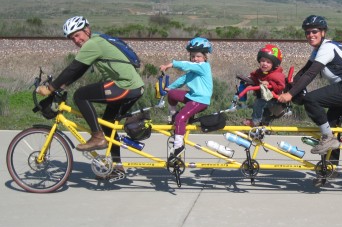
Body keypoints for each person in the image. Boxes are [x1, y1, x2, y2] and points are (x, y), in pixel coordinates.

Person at [36, 16, 144, 175]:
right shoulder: (97, 39)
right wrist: (63, 85)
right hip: (133, 87)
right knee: (108, 123)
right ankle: (116, 166)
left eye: (78, 35)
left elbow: (72, 69)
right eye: (72, 38)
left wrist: (50, 88)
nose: (76, 40)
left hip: (124, 85)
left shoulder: (93, 44)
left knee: (80, 96)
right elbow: (79, 71)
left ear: (87, 30)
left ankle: (97, 137)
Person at [278, 15, 342, 154]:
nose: (310, 35)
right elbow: (303, 72)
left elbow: (310, 74)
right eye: (307, 32)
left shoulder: (327, 48)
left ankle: (328, 138)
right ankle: (330, 169)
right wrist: (287, 85)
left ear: (323, 32)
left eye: (314, 31)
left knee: (311, 99)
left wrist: (290, 94)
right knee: (331, 124)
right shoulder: (318, 50)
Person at [159, 37, 213, 160]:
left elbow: (185, 65)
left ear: (205, 57)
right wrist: (170, 88)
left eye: (198, 56)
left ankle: (178, 146)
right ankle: (173, 115)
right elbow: (182, 80)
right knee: (172, 94)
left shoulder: (203, 66)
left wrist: (171, 64)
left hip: (200, 100)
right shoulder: (193, 70)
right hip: (192, 97)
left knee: (181, 118)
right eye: (193, 56)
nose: (195, 59)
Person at [242, 44, 286, 127]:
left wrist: (270, 84)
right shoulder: (260, 72)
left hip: (275, 100)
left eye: (268, 62)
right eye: (262, 60)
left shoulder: (276, 75)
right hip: (266, 97)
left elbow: (281, 86)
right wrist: (249, 81)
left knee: (258, 103)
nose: (264, 64)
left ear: (274, 64)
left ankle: (255, 121)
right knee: (259, 104)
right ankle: (263, 124)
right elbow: (254, 76)